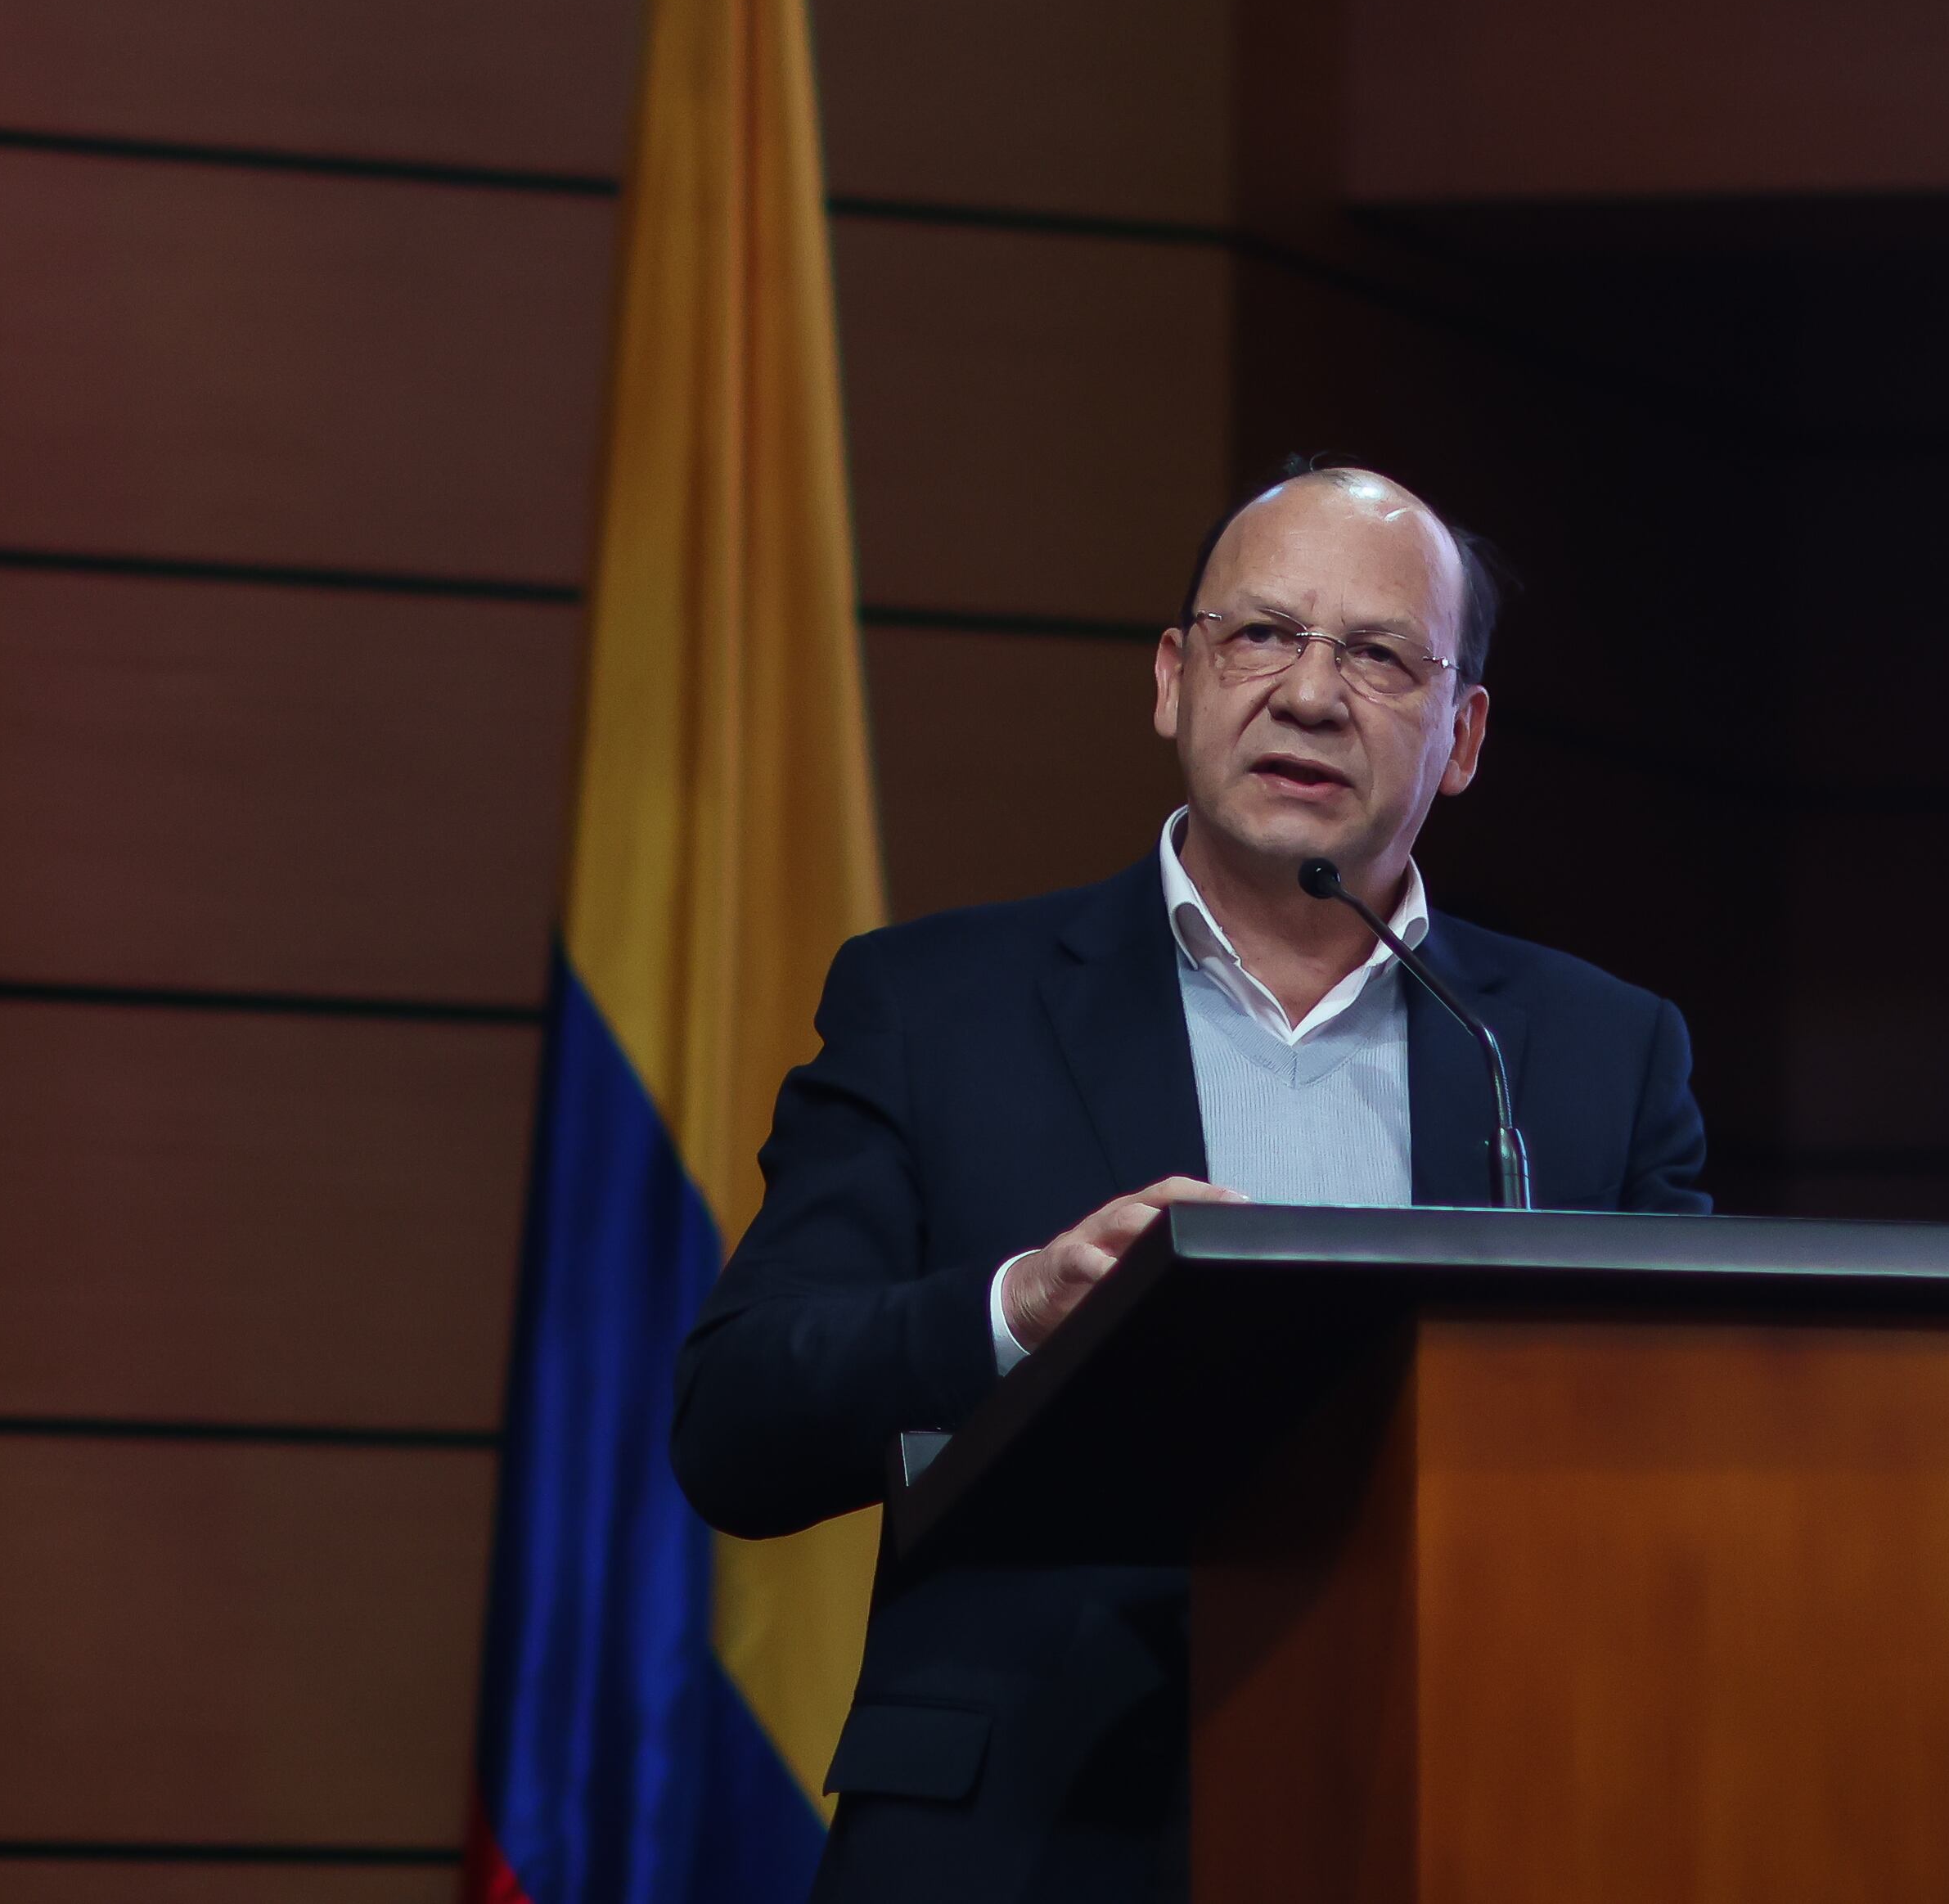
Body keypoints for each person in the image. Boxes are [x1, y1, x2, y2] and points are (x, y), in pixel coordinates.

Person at [671, 462, 1711, 1903]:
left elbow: (1696, 1469)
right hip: (1022, 1841)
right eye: (1261, 635)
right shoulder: (936, 1006)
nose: (1308, 693)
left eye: (1377, 654)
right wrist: (1011, 1310)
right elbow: (733, 1424)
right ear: (1173, 679)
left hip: (1454, 1815)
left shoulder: (1597, 1052)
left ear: (1461, 733)